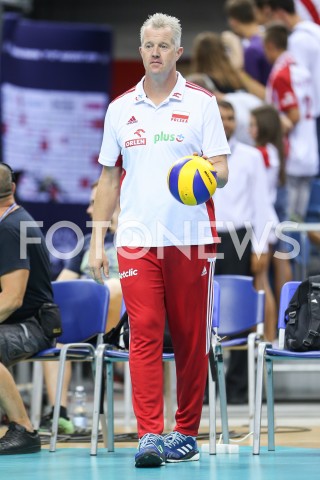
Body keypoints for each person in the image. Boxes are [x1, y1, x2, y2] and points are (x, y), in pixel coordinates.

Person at [88, 13, 229, 468]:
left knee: (191, 340)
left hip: (192, 240)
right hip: (135, 240)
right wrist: (96, 241)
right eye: (148, 44)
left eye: (163, 45)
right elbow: (108, 180)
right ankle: (149, 434)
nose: (154, 52)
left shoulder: (202, 103)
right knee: (143, 336)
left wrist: (203, 174)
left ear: (177, 52)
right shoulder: (119, 109)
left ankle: (185, 433)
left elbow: (222, 169)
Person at [41, 180, 122, 434]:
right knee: (57, 338)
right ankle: (59, 415)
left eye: (94, 203)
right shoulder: (87, 242)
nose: (88, 210)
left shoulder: (139, 241)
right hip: (85, 322)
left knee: (114, 288)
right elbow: (61, 287)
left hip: (123, 324)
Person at [214, 100, 276, 402]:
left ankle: (238, 386)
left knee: (239, 311)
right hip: (203, 236)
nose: (225, 122)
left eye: (230, 117)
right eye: (220, 117)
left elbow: (261, 203)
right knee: (204, 312)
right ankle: (206, 387)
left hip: (239, 237)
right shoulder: (197, 156)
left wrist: (260, 246)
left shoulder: (251, 157)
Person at [0, 162, 62, 454]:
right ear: (12, 189)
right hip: (17, 322)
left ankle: (24, 429)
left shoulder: (11, 229)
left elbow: (12, 299)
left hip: (34, 327)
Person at [263, 22, 318, 221]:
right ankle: (298, 252)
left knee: (288, 219)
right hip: (310, 152)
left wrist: (272, 128)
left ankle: (292, 254)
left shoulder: (281, 74)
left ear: (270, 45)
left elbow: (292, 116)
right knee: (299, 219)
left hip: (292, 153)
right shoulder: (301, 70)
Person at [249, 104, 291, 338]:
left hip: (264, 217)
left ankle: (271, 334)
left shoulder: (261, 153)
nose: (250, 129)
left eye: (254, 125)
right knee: (275, 274)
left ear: (264, 126)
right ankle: (278, 330)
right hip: (271, 216)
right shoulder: (275, 149)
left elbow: (258, 193)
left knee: (262, 280)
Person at [225, 0, 272, 85]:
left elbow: (254, 86)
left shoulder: (251, 49)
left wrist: (240, 73)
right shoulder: (270, 33)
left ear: (233, 22)